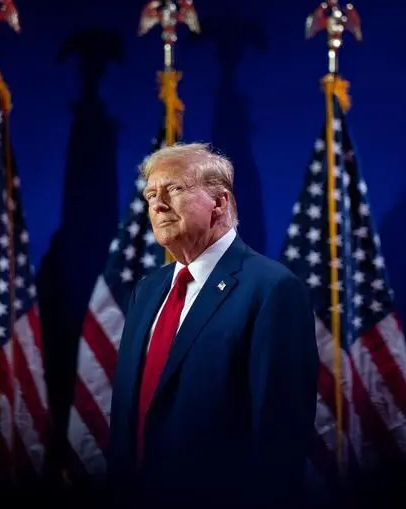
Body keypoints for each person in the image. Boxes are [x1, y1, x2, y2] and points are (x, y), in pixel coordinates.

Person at [107, 143, 319, 507]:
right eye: (150, 195)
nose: (157, 205)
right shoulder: (148, 290)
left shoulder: (271, 288)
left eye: (173, 189)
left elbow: (279, 432)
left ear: (219, 202)